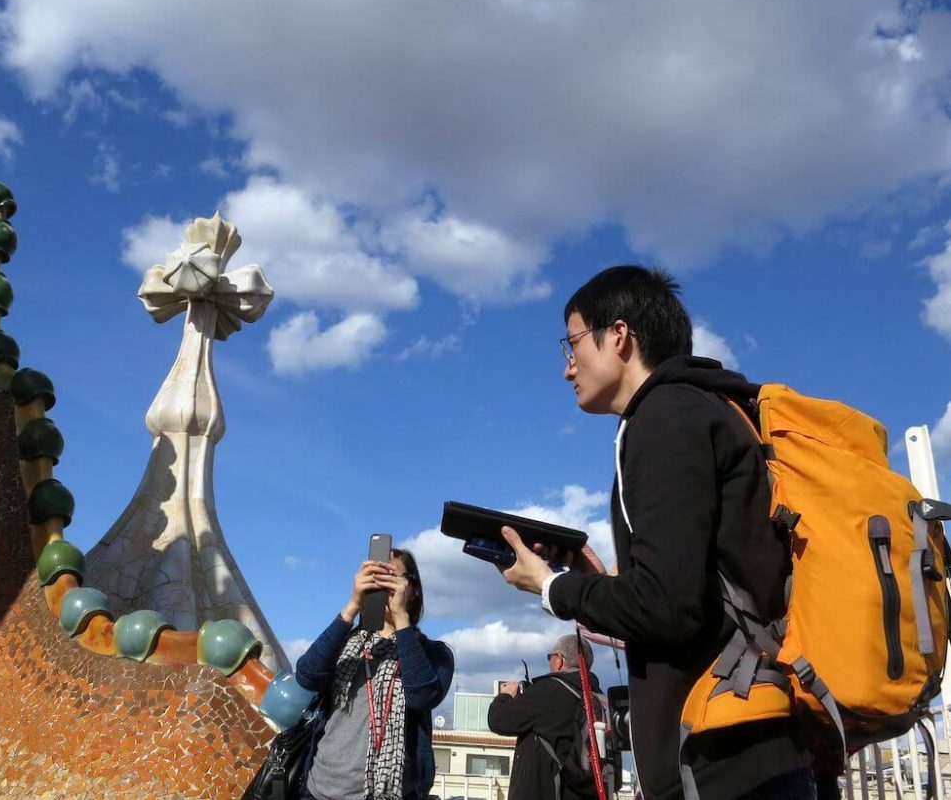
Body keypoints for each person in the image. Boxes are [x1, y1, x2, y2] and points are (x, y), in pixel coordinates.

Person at [498, 265, 814, 800]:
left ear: (618, 335)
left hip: (722, 761)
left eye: (571, 343)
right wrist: (604, 583)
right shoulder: (714, 409)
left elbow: (666, 607)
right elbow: (695, 595)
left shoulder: (663, 416)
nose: (567, 368)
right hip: (754, 742)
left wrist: (553, 587)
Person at [295, 548, 455, 800]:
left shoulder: (434, 654)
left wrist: (400, 618)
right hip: (319, 789)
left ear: (413, 589)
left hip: (393, 792)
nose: (383, 582)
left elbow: (422, 696)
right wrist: (352, 606)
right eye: (376, 575)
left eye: (392, 575)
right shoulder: (346, 642)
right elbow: (306, 677)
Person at [487, 634, 602, 800]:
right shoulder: (598, 698)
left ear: (560, 660)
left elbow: (497, 720)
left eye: (550, 656)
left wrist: (505, 696)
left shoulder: (549, 691)